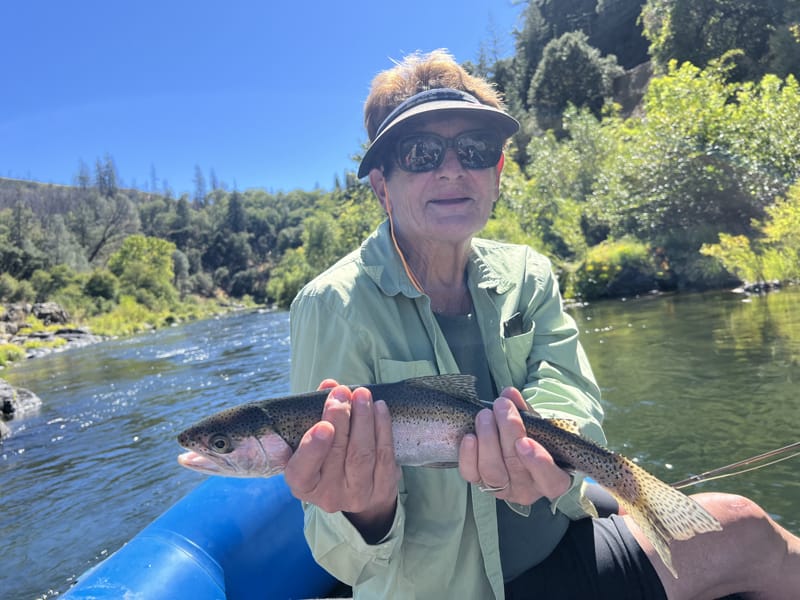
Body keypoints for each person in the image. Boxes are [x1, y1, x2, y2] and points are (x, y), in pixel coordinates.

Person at [287, 49, 800, 599]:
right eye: (421, 153)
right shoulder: (331, 304)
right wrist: (367, 509)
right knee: (742, 526)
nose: (453, 168)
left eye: (475, 150)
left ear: (497, 172)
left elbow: (571, 393)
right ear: (381, 186)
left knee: (745, 522)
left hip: (558, 529)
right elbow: (335, 551)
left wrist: (546, 449)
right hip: (450, 588)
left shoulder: (528, 273)